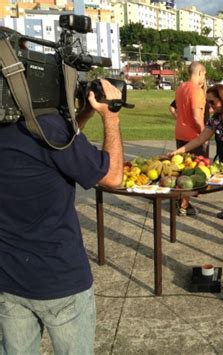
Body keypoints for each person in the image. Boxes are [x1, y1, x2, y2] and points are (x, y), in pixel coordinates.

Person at [0, 79, 124, 353]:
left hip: (9, 279)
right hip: (60, 280)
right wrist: (110, 117)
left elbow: (51, 148)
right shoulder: (48, 128)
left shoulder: (31, 130)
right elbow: (113, 176)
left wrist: (84, 114)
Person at [170, 84, 223, 216]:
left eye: (213, 102)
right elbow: (200, 139)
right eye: (208, 103)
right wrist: (178, 151)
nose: (210, 106)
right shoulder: (216, 119)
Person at [174, 61, 207, 216]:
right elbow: (196, 116)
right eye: (204, 75)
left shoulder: (181, 88)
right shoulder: (196, 90)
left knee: (180, 169)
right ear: (199, 72)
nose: (204, 78)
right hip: (193, 136)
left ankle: (179, 199)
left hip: (180, 132)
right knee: (191, 172)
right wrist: (203, 133)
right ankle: (184, 205)